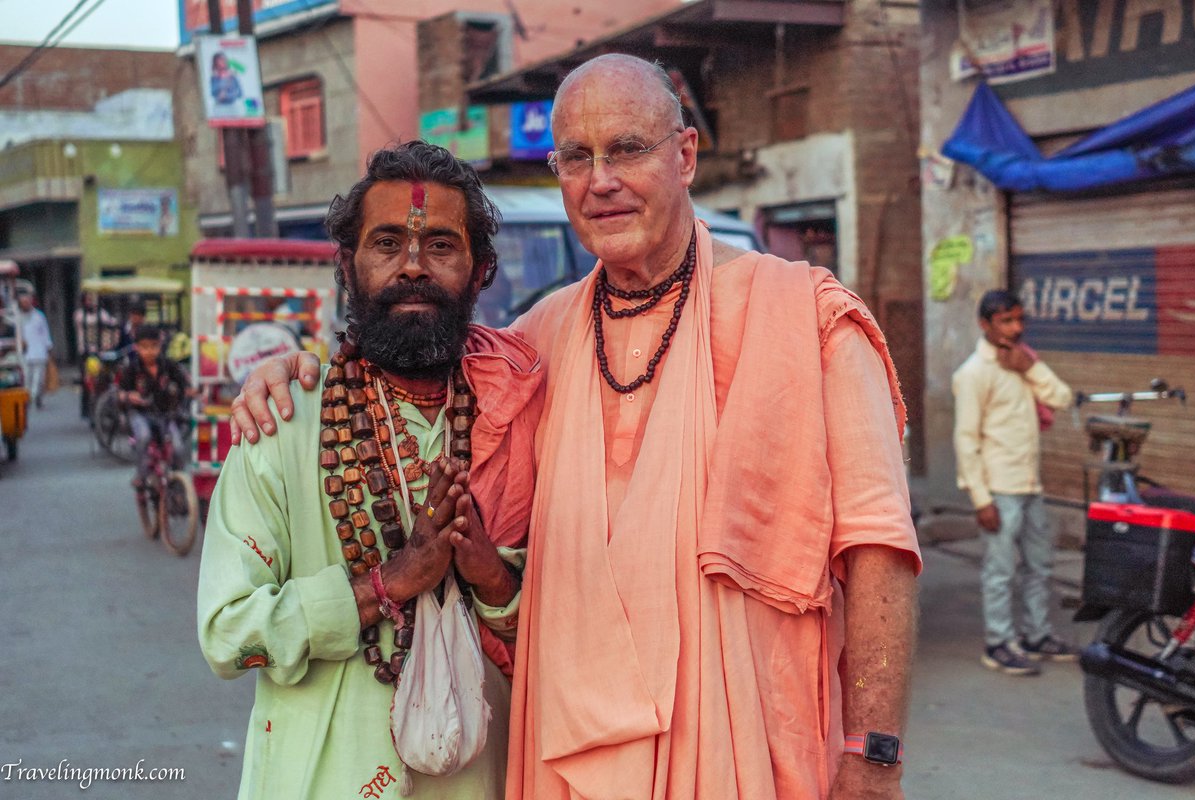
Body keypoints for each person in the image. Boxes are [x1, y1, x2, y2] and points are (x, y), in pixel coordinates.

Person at [230, 55, 921, 800]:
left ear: (684, 155)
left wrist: (872, 754)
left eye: (627, 149)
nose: (601, 181)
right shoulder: (533, 346)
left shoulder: (807, 319)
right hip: (569, 753)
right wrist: (294, 370)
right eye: (576, 158)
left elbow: (878, 546)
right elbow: (406, 359)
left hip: (750, 746)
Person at [196, 141, 543, 800]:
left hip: (483, 776)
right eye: (386, 244)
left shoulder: (522, 417)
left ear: (481, 272)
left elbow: (576, 631)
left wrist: (491, 577)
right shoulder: (282, 422)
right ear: (347, 267)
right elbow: (227, 633)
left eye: (440, 245)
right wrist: (388, 582)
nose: (412, 266)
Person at [952, 289, 1077, 676]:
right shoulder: (973, 374)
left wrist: (1029, 368)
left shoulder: (1022, 362)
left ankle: (1037, 636)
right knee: (1001, 571)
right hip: (999, 490)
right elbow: (966, 439)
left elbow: (1063, 398)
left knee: (1040, 566)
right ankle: (999, 642)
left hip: (1030, 486)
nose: (1016, 328)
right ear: (985, 325)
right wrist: (981, 499)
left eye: (1019, 319)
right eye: (1006, 321)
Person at [115, 325, 191, 489]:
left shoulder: (169, 366)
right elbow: (119, 394)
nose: (149, 351)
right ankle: (141, 475)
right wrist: (129, 396)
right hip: (140, 415)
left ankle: (178, 485)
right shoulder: (132, 370)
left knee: (177, 447)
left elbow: (184, 386)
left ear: (160, 346)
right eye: (144, 347)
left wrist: (190, 392)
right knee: (143, 436)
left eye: (153, 347)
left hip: (165, 414)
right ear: (137, 347)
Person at [17, 291, 52, 408]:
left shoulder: (39, 316)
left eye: (27, 301)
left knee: (39, 380)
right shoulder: (18, 318)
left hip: (40, 352)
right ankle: (27, 399)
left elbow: (45, 333)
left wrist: (48, 347)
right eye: (23, 302)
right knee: (27, 378)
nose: (25, 304)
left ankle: (35, 398)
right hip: (25, 354)